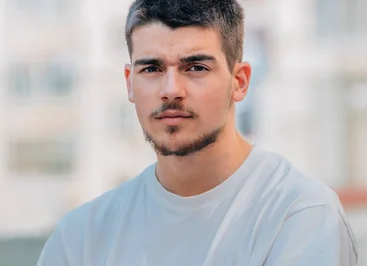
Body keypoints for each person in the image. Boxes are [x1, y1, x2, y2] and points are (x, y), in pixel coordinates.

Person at [36, 0, 358, 265]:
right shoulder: (80, 239)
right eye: (152, 69)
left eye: (196, 68)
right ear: (129, 83)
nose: (171, 90)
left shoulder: (299, 216)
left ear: (240, 81)